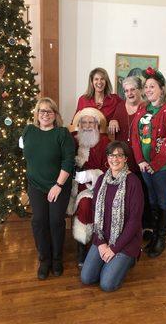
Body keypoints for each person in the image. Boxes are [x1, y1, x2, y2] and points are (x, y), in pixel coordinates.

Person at [22, 97, 75, 280]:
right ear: (37, 113)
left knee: (55, 221)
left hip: (58, 185)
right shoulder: (28, 131)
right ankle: (44, 260)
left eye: (49, 111)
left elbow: (68, 161)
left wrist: (58, 185)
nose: (45, 114)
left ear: (55, 115)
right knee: (38, 221)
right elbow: (26, 154)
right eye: (42, 111)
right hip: (36, 185)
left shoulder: (62, 133)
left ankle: (57, 259)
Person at [81, 141, 144, 292]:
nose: (114, 159)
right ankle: (110, 263)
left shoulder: (134, 182)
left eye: (119, 155)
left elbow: (134, 222)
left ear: (125, 158)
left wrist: (114, 249)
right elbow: (96, 212)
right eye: (111, 155)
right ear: (107, 157)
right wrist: (101, 242)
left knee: (107, 284)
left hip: (125, 242)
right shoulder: (102, 180)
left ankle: (130, 259)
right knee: (87, 278)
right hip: (104, 237)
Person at [131, 67, 166, 258]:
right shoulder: (143, 108)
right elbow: (135, 136)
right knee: (151, 200)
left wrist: (155, 164)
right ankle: (154, 235)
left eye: (152, 86)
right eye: (146, 87)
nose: (148, 89)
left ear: (161, 88)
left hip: (163, 167)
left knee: (162, 200)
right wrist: (141, 160)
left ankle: (161, 238)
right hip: (145, 166)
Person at [108, 76, 152, 238]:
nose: (129, 93)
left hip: (141, 160)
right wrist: (112, 120)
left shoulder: (147, 107)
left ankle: (146, 227)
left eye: (133, 89)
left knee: (142, 195)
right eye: (126, 91)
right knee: (125, 196)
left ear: (140, 90)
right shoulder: (120, 107)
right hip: (122, 161)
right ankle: (127, 228)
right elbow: (111, 120)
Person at [67, 107, 110, 268]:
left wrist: (88, 175)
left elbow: (109, 170)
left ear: (97, 124)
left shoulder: (105, 142)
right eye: (83, 122)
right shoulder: (73, 138)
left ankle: (83, 246)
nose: (86, 125)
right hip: (71, 185)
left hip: (94, 187)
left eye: (90, 122)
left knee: (85, 205)